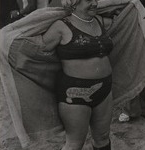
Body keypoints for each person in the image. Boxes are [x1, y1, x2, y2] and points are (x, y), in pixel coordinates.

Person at [42, 0, 114, 149]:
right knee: (75, 143)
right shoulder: (60, 26)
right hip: (74, 93)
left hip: (104, 89)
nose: (94, 3)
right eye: (88, 0)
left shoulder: (100, 21)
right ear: (73, 3)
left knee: (103, 137)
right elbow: (38, 52)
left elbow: (123, 8)